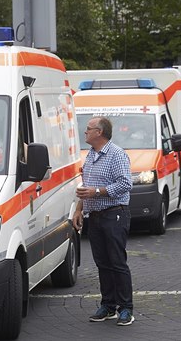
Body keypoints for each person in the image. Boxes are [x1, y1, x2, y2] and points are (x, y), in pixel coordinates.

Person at [72, 116, 134, 326]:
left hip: (114, 214)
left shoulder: (117, 154)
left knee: (117, 263)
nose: (85, 132)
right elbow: (86, 186)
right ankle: (108, 306)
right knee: (103, 264)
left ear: (99, 132)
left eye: (88, 129)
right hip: (95, 217)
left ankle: (126, 308)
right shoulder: (90, 155)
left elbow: (126, 183)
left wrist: (97, 192)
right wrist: (79, 209)